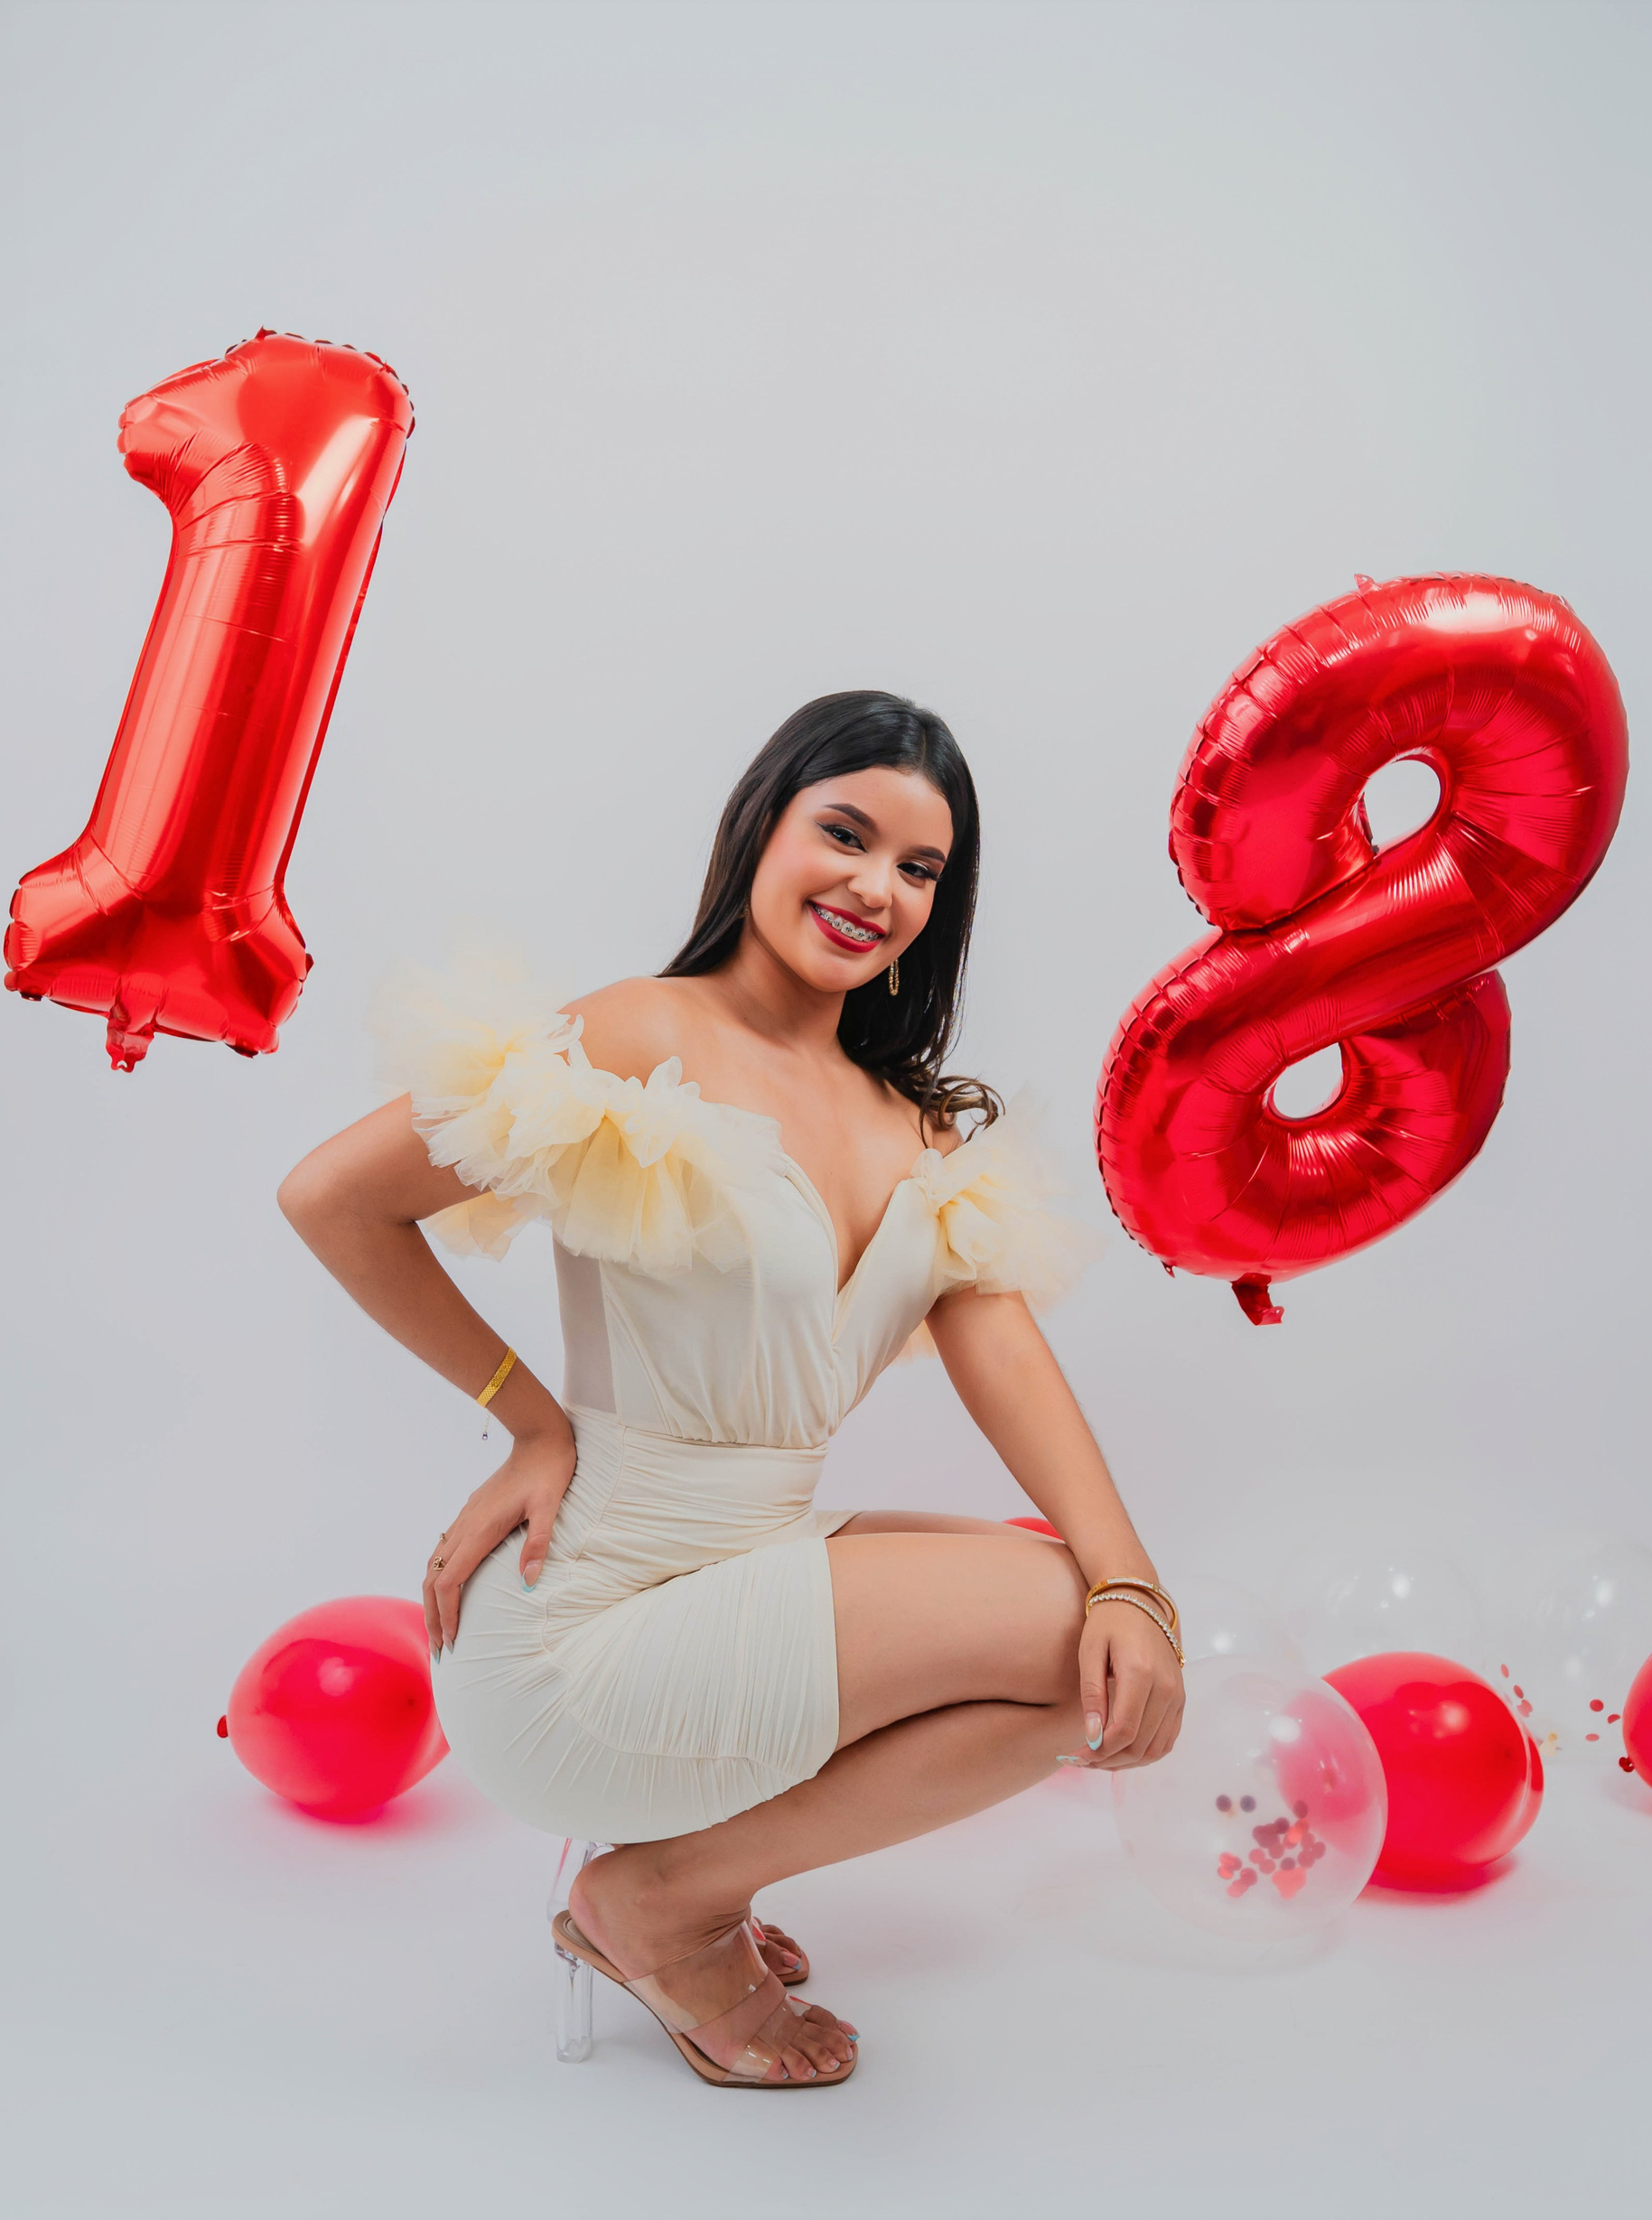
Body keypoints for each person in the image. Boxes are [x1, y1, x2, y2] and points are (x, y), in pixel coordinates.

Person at [278, 690, 1185, 2089]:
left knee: (1100, 1637)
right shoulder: (640, 1030)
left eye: (920, 868)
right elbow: (335, 1196)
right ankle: (662, 1902)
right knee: (1066, 1630)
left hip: (740, 1570)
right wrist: (529, 1415)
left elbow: (1010, 1358)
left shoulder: (910, 1122)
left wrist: (1137, 1586)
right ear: (764, 823)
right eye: (846, 833)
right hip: (581, 1630)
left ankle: (688, 1873)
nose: (875, 887)